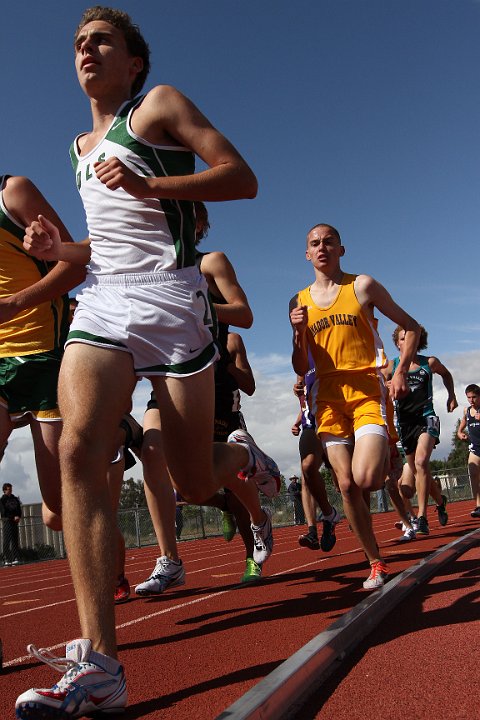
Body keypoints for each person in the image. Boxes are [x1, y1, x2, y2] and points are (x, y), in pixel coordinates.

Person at [16, 8, 277, 718]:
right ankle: (101, 662)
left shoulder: (158, 106)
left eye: (102, 40)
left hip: (173, 300)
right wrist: (54, 252)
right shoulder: (76, 147)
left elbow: (241, 178)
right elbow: (101, 248)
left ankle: (241, 461)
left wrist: (149, 186)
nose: (86, 50)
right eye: (77, 43)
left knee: (193, 484)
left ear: (134, 62)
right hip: (103, 301)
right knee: (78, 449)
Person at [290, 222, 421, 591]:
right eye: (314, 243)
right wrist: (298, 333)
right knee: (346, 485)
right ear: (306, 254)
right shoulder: (298, 300)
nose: (322, 248)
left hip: (366, 392)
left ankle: (386, 459)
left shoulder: (361, 285)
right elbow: (300, 366)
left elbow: (410, 325)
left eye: (329, 242)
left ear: (341, 249)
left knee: (365, 480)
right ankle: (376, 562)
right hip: (328, 399)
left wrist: (400, 374)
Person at [0, 175, 85, 531]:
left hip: (43, 356)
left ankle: (110, 561)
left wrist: (16, 302)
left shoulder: (13, 193)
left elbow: (76, 265)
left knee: (57, 513)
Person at [386, 325, 456, 536]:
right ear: (397, 343)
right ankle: (440, 500)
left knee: (421, 462)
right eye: (401, 339)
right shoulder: (392, 365)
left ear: (418, 341)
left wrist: (452, 394)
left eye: (410, 339)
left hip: (427, 417)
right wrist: (385, 383)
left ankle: (423, 516)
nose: (406, 343)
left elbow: (447, 374)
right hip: (405, 424)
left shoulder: (429, 363)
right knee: (410, 482)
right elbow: (372, 380)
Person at [291, 367, 340, 551]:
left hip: (331, 421)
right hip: (309, 424)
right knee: (307, 470)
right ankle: (314, 529)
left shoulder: (326, 351)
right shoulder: (302, 362)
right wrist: (297, 421)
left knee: (342, 480)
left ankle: (355, 520)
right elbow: (306, 401)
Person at [457, 383, 480, 518]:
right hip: (475, 449)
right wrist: (460, 432)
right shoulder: (466, 410)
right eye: (469, 397)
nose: (471, 400)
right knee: (473, 475)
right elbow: (463, 422)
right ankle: (478, 505)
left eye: (474, 397)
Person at [1, 483, 22, 565]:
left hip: (14, 522)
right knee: (6, 541)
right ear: (4, 490)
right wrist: (13, 517)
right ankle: (7, 559)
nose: (10, 491)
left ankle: (15, 558)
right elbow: (4, 512)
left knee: (15, 540)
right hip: (7, 522)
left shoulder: (15, 499)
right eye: (9, 489)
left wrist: (18, 516)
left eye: (11, 489)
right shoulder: (2, 500)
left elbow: (18, 509)